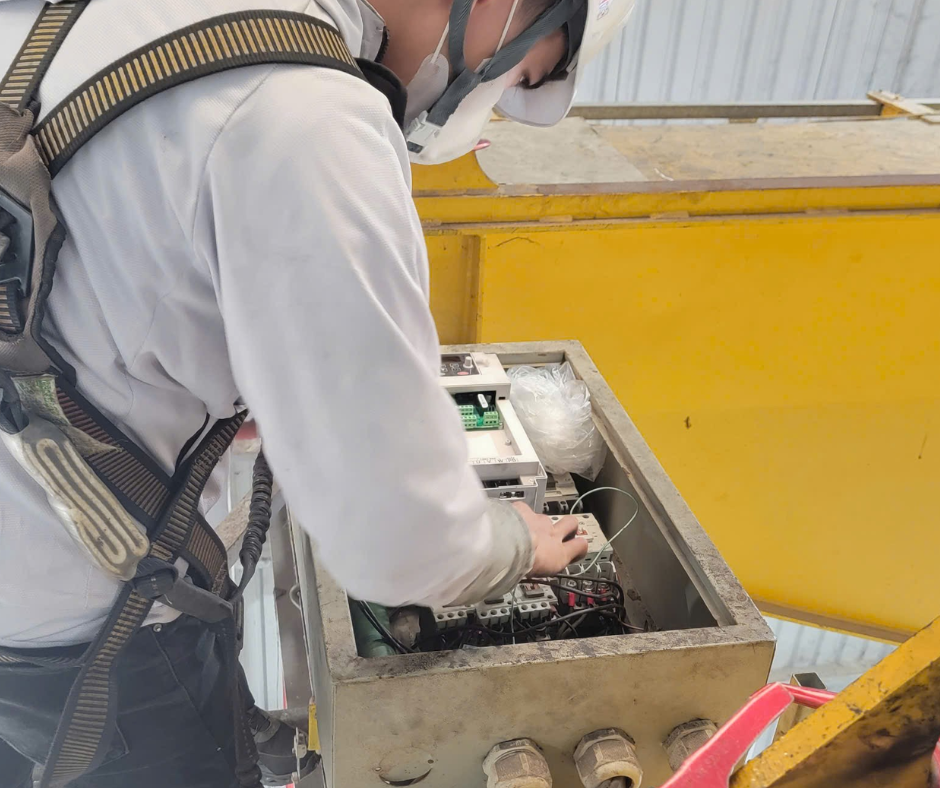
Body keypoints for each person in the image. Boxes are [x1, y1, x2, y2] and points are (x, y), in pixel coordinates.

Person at [0, 0, 635, 786]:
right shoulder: (304, 116)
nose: (489, 98)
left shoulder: (114, 20)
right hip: (90, 651)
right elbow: (399, 542)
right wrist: (513, 543)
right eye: (517, 76)